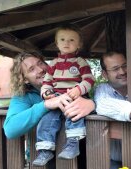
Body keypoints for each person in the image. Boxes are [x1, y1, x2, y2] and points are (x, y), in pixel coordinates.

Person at [3, 53, 94, 165]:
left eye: (40, 63)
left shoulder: (70, 83)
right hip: (46, 159)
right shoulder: (24, 96)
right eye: (31, 69)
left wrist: (91, 104)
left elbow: (95, 98)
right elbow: (10, 130)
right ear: (25, 79)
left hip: (81, 151)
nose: (40, 69)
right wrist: (45, 105)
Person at [32, 24, 95, 166]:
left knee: (74, 114)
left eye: (72, 40)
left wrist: (79, 89)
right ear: (57, 43)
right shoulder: (53, 64)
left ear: (79, 44)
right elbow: (47, 82)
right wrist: (46, 93)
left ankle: (73, 145)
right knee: (46, 119)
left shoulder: (80, 62)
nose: (66, 43)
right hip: (56, 97)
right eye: (62, 39)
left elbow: (89, 79)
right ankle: (45, 150)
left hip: (74, 95)